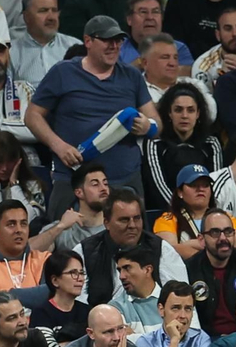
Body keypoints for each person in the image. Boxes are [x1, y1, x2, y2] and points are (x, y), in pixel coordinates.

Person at [26, 16, 160, 206]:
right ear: (88, 41)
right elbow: (32, 116)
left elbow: (157, 122)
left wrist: (148, 126)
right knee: (66, 233)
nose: (114, 46)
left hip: (124, 178)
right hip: (75, 177)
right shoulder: (63, 73)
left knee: (131, 233)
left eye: (118, 41)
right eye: (107, 40)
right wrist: (59, 146)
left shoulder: (132, 76)